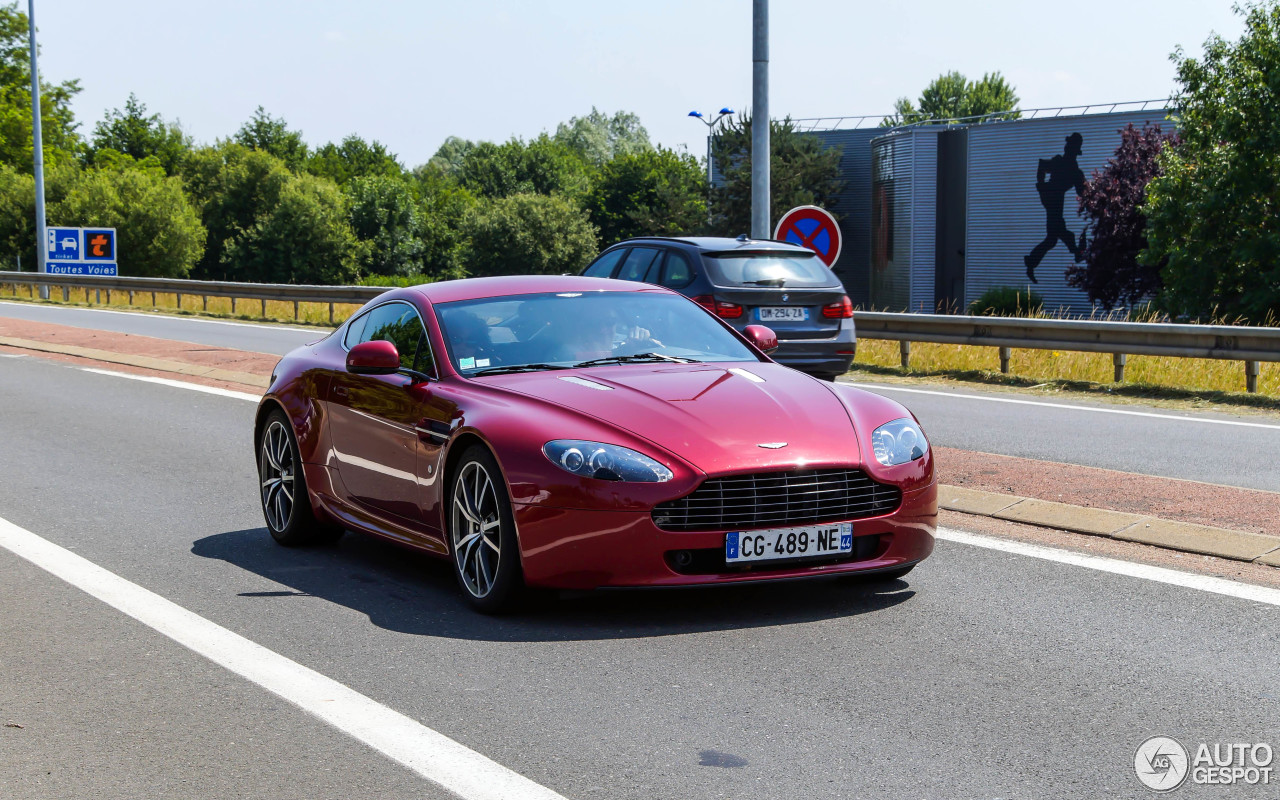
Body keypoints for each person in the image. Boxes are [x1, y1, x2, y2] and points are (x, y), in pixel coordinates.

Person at [1024, 132, 1086, 283]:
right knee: (1057, 233)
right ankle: (1076, 251)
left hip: (1057, 200)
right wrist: (1042, 187)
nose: (1067, 148)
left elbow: (1082, 192)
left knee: (1053, 237)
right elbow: (1042, 166)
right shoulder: (1060, 162)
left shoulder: (1075, 172)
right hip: (1052, 199)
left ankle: (1031, 263)